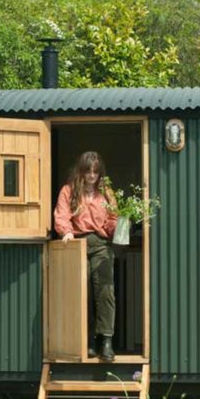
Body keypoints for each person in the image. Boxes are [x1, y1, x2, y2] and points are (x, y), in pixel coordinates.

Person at [53, 151, 118, 361]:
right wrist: (66, 231)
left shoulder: (106, 192)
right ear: (81, 170)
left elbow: (114, 216)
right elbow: (61, 215)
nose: (92, 176)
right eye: (88, 171)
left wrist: (114, 228)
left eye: (96, 172)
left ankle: (105, 340)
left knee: (105, 291)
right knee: (82, 293)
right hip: (77, 243)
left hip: (100, 243)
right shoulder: (68, 191)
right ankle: (87, 341)